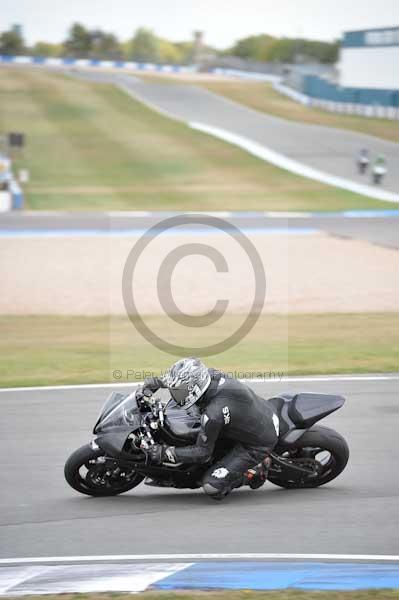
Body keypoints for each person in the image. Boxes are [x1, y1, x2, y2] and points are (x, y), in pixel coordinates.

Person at [136, 357, 279, 500]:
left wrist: (164, 453)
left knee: (212, 486)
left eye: (180, 391)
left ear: (195, 389)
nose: (176, 395)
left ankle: (255, 472)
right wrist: (153, 384)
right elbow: (180, 379)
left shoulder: (213, 414)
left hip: (256, 443)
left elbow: (202, 452)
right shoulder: (208, 375)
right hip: (257, 412)